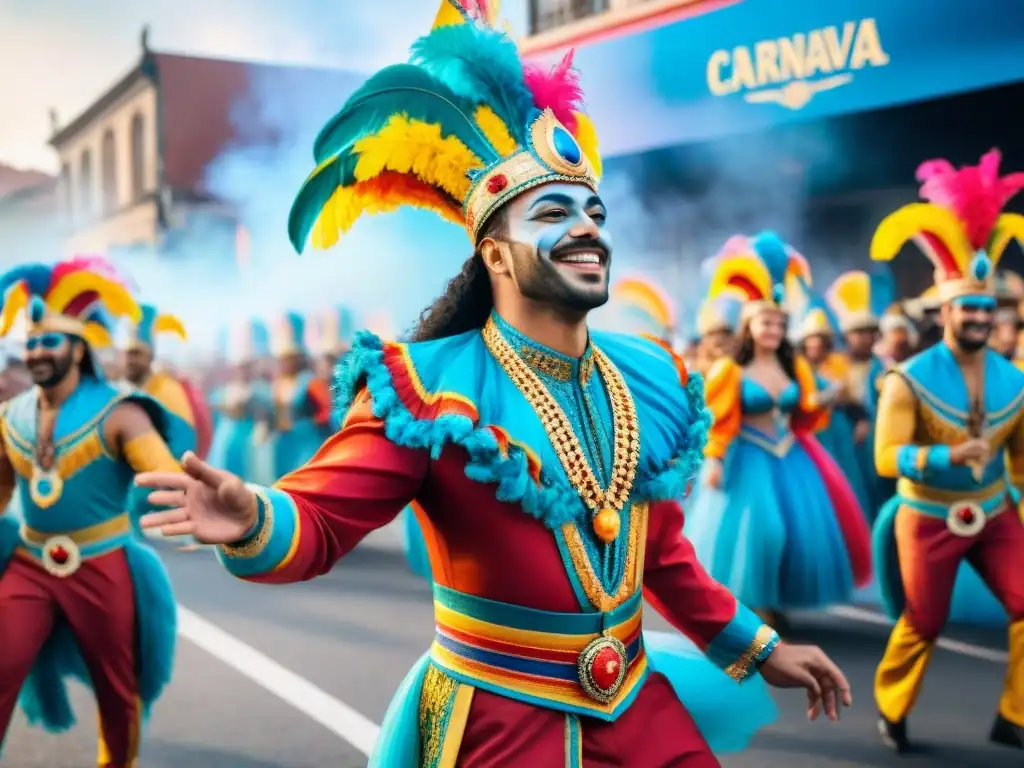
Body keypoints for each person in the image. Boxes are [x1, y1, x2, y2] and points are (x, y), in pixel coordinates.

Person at [139, 3, 852, 765]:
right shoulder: (425, 391)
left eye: (595, 210)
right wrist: (254, 517)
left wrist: (758, 646)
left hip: (639, 709)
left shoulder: (649, 375)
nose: (588, 226)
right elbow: (319, 520)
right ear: (496, 256)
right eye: (553, 212)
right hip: (497, 722)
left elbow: (663, 553)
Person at [870, 148, 1024, 752]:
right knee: (924, 621)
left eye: (988, 308)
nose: (980, 317)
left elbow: (1019, 458)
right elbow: (886, 457)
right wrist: (944, 458)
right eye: (969, 308)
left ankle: (1014, 714)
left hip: (995, 510)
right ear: (946, 311)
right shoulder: (908, 379)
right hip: (929, 514)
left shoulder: (1015, 380)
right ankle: (892, 708)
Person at [0, 259, 182, 768]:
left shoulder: (121, 412)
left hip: (102, 563)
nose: (37, 351)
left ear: (78, 348)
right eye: (31, 342)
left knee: (117, 687)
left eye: (49, 341)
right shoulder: (9, 416)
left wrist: (188, 497)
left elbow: (163, 471)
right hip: (31, 563)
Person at [684, 232, 872, 630]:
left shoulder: (793, 366)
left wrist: (822, 402)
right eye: (765, 322)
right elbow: (716, 417)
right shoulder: (730, 369)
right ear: (749, 325)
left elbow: (805, 408)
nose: (773, 328)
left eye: (779, 323)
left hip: (788, 454)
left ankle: (775, 599)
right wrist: (715, 459)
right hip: (748, 455)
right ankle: (753, 604)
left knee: (798, 533)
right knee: (763, 530)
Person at [269, 310, 329, 478]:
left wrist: (311, 424)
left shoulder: (310, 382)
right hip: (284, 444)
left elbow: (325, 411)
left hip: (306, 443)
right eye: (282, 359)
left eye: (289, 358)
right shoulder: (278, 384)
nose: (284, 363)